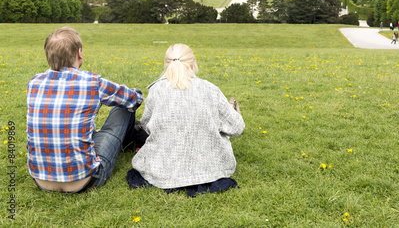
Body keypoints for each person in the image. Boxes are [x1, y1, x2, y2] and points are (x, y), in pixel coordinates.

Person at [26, 27, 143, 193]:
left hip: (41, 180)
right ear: (79, 53)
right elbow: (134, 100)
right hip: (86, 180)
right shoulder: (92, 82)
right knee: (124, 108)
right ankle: (131, 143)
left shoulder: (34, 83)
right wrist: (136, 93)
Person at [128, 43, 245, 197]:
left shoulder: (156, 90)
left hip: (162, 168)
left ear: (166, 64)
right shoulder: (210, 89)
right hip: (210, 168)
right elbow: (237, 128)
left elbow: (147, 126)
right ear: (193, 63)